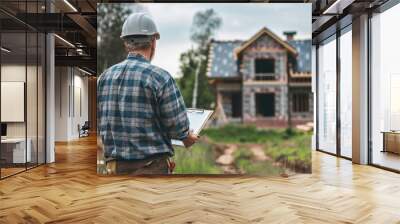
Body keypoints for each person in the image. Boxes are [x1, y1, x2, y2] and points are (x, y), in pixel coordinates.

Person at [97, 12, 199, 175]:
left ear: (126, 44)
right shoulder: (160, 77)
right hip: (151, 169)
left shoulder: (104, 78)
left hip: (114, 169)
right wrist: (188, 138)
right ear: (153, 42)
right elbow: (178, 125)